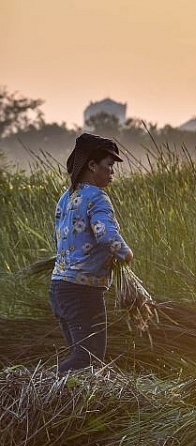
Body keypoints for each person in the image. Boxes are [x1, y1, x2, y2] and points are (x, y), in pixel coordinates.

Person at [49, 133, 133, 372]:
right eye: (109, 166)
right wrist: (126, 254)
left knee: (81, 363)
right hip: (82, 292)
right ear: (92, 165)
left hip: (59, 288)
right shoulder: (97, 197)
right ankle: (36, 388)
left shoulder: (66, 198)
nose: (112, 173)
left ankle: (59, 403)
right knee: (88, 362)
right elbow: (106, 235)